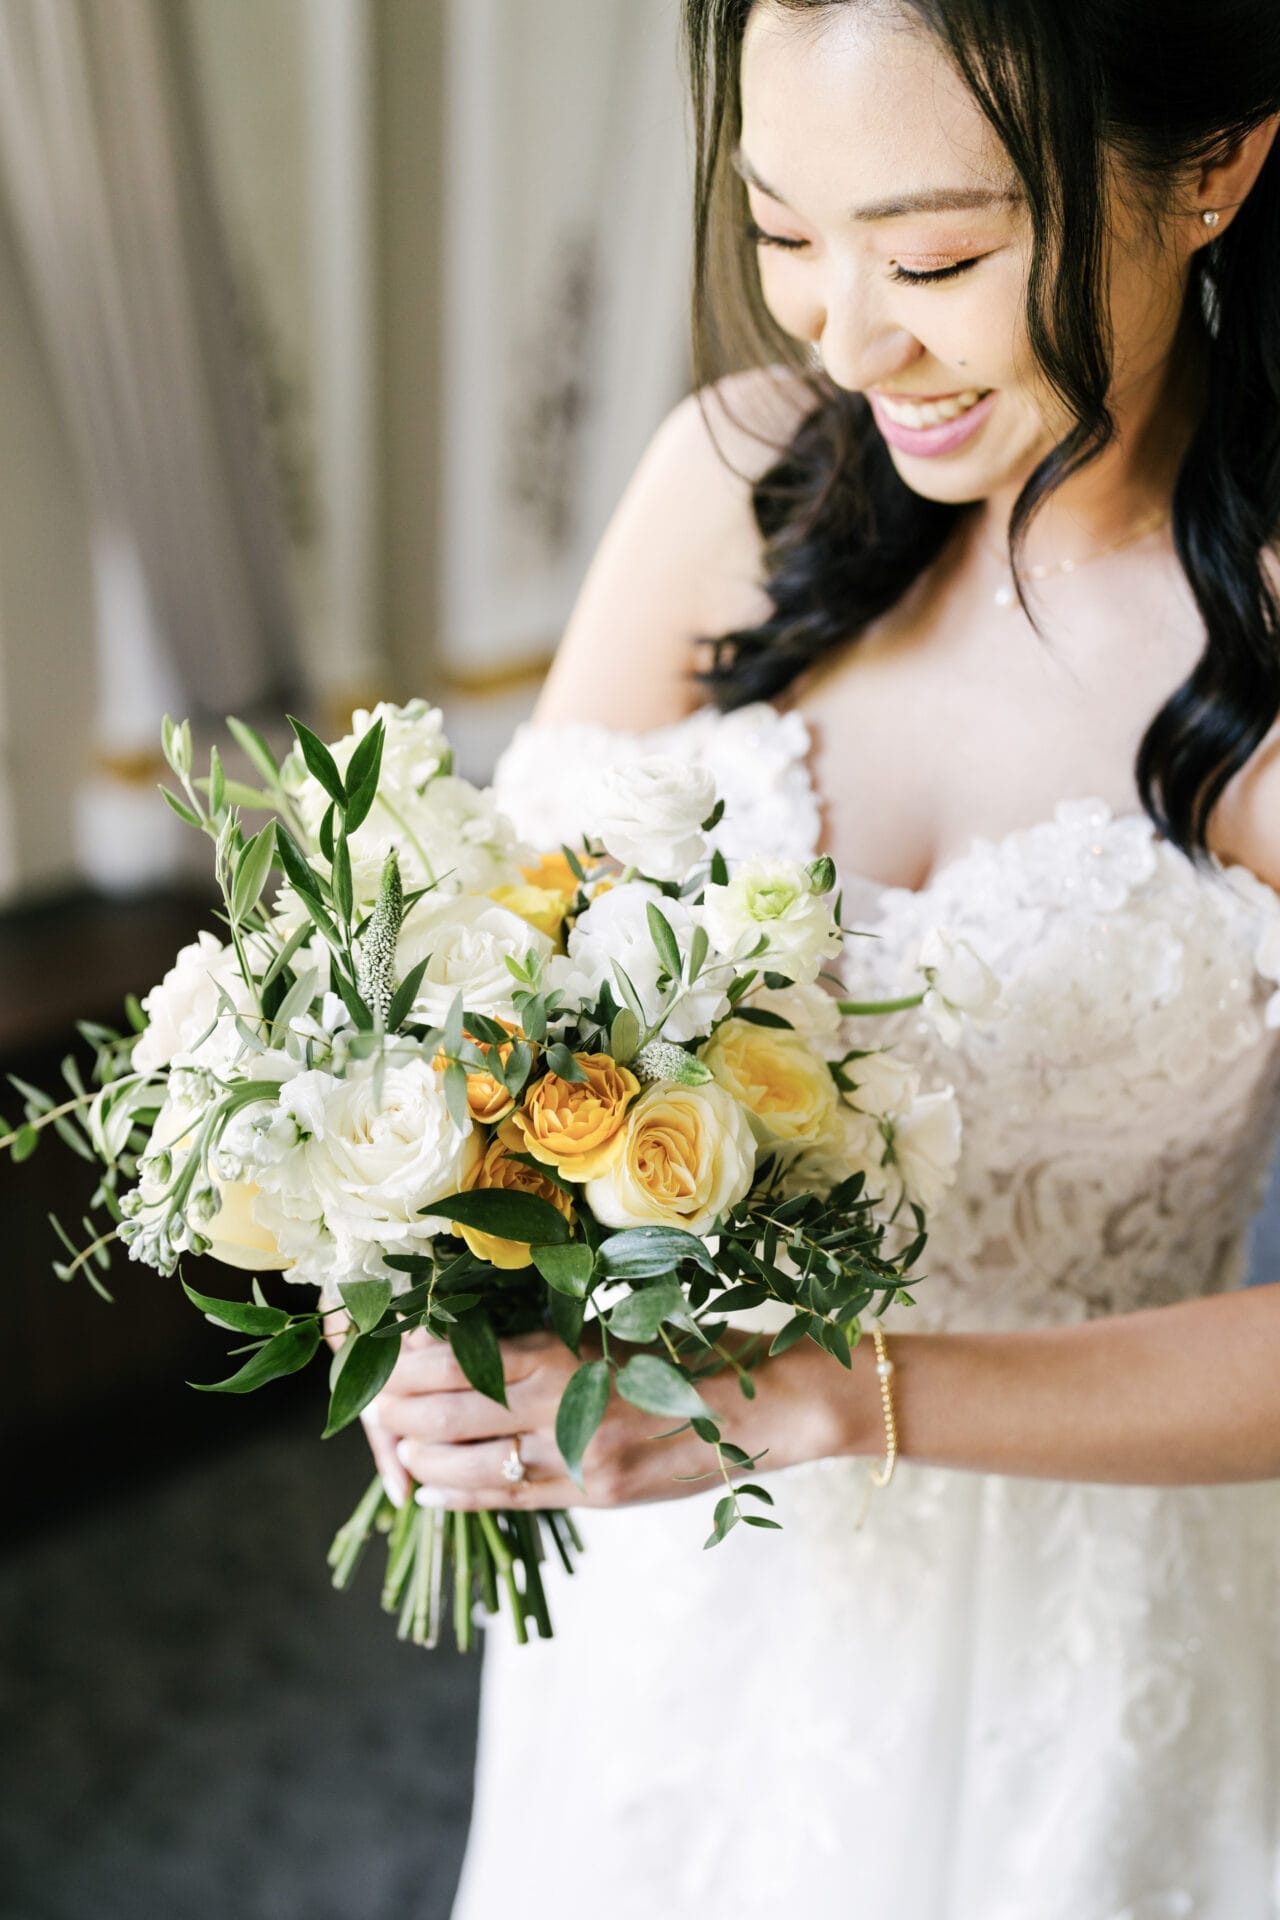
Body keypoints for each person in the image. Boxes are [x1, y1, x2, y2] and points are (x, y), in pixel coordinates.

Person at [366, 3, 1280, 1913]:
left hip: (1069, 1627)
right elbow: (478, 1015)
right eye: (788, 229)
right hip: (659, 1610)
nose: (849, 339)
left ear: (1218, 168)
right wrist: (431, 1317)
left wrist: (847, 1393)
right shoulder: (734, 477)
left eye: (939, 256)